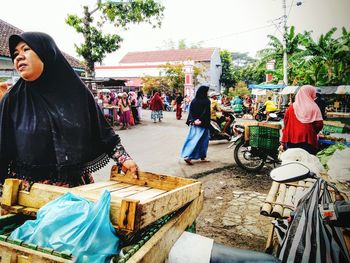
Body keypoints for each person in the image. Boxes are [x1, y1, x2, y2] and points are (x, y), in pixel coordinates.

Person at [0, 32, 138, 191]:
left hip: (75, 190)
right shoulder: (13, 100)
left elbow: (103, 133)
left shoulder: (77, 93)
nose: (19, 57)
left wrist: (124, 159)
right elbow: (2, 149)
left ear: (46, 53)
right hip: (29, 194)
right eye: (16, 54)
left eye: (26, 50)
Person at [280, 85, 324, 155]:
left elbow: (285, 123)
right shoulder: (314, 108)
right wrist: (312, 131)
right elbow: (319, 124)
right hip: (307, 140)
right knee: (305, 162)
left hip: (290, 139)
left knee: (291, 161)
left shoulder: (291, 108)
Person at [181, 85, 211, 165]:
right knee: (198, 140)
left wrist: (194, 120)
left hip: (194, 123)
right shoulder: (207, 101)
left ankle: (202, 156)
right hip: (203, 124)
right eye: (207, 91)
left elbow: (190, 112)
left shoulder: (194, 100)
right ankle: (188, 156)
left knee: (199, 140)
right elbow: (206, 113)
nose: (207, 93)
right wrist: (200, 120)